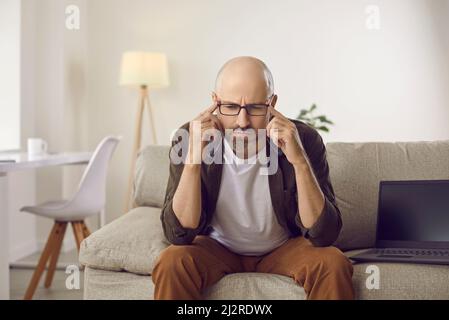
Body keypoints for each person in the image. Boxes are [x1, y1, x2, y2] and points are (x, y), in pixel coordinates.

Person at [152, 56, 354, 300]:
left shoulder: (304, 139)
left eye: (256, 108)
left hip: (282, 248)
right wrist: (194, 159)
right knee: (172, 261)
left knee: (332, 263)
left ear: (272, 104)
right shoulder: (189, 136)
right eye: (230, 107)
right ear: (215, 102)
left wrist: (299, 162)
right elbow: (178, 234)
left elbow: (324, 234)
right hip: (216, 248)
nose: (242, 122)